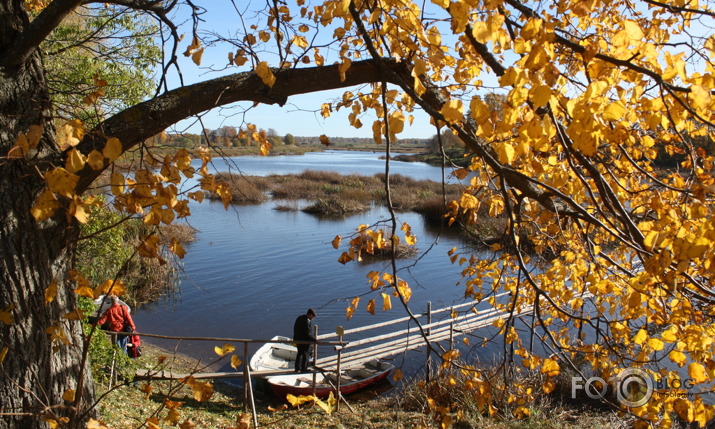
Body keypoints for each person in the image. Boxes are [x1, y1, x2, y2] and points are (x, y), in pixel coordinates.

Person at [293, 308, 317, 373]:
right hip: (304, 341)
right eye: (313, 316)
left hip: (297, 339)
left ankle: (297, 368)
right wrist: (315, 340)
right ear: (310, 315)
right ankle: (304, 368)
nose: (313, 318)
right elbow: (307, 333)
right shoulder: (306, 321)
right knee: (306, 354)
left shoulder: (300, 318)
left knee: (299, 353)